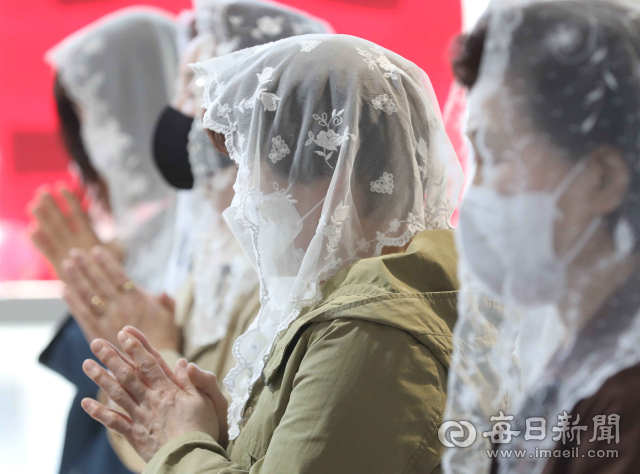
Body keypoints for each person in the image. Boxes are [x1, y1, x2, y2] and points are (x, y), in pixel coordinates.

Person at [76, 34, 464, 473]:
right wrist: (220, 436)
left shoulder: (368, 332)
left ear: (332, 178)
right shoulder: (351, 302)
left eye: (250, 175)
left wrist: (179, 443)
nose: (245, 205)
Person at [61, 2, 333, 471]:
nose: (179, 111)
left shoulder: (289, 270)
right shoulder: (213, 250)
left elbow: (225, 449)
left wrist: (154, 350)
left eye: (196, 89)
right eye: (181, 89)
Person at [444, 1, 640, 474]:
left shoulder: (627, 398)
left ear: (602, 178)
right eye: (475, 157)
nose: (477, 192)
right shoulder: (579, 349)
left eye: (496, 154)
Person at [32, 8, 181, 474]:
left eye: (93, 117)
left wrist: (101, 293)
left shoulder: (214, 244)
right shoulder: (136, 244)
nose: (91, 148)